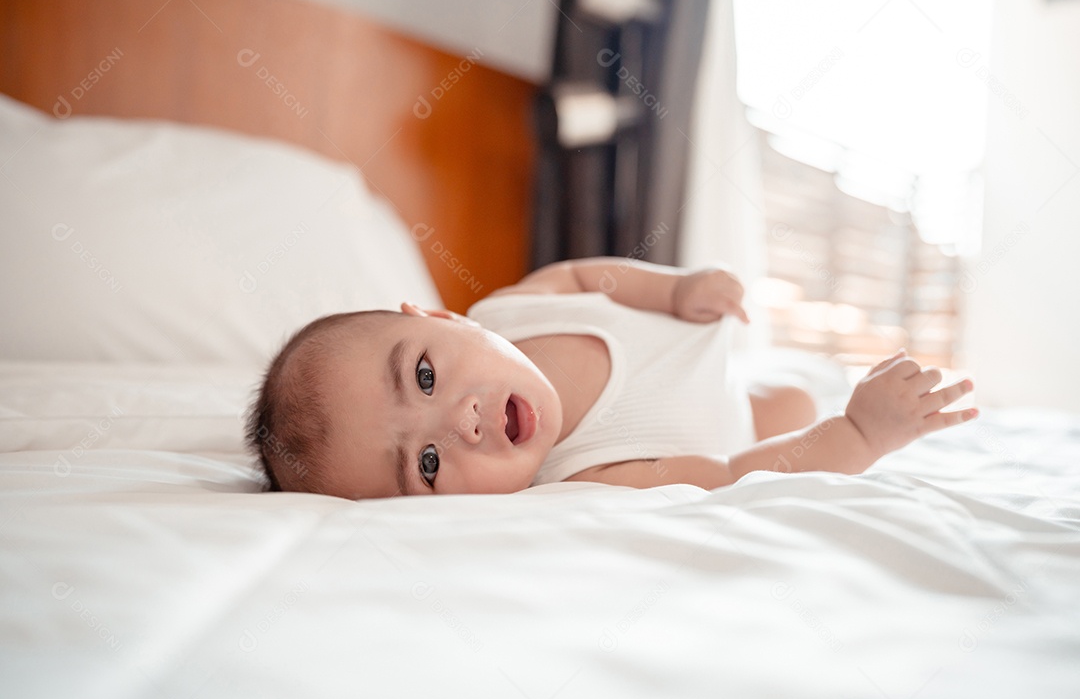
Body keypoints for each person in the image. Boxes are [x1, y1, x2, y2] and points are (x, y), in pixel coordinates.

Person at [246, 257, 977, 499]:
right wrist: (858, 433)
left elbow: (583, 276)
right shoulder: (585, 477)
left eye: (426, 374)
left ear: (442, 316)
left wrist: (672, 289)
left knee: (780, 379)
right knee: (792, 406)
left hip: (705, 353)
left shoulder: (510, 310)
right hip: (736, 424)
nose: (460, 421)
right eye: (428, 465)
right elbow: (732, 472)